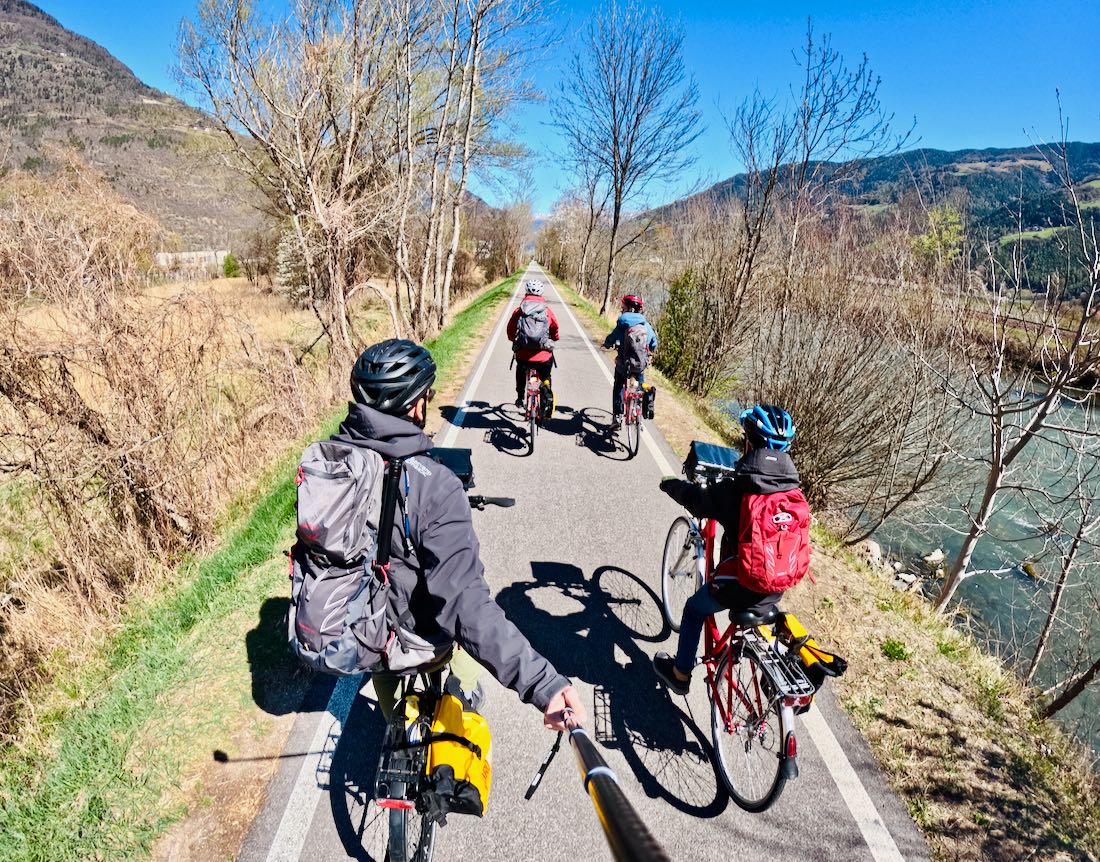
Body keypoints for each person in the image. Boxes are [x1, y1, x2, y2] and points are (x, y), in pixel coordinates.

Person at [338, 338, 585, 729]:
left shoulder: (327, 466)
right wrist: (542, 683)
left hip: (357, 630)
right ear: (415, 405)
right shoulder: (435, 486)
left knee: (394, 711)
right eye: (428, 395)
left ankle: (396, 724)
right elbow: (466, 605)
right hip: (421, 639)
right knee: (460, 635)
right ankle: (464, 696)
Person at [652, 404, 800, 695]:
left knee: (693, 610)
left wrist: (671, 485)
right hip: (777, 585)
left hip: (741, 583)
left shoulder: (737, 491)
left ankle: (680, 675)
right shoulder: (792, 492)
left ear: (748, 443)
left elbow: (695, 500)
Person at [602, 294, 657, 429]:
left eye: (623, 307)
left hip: (624, 363)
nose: (621, 309)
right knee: (639, 385)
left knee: (618, 386)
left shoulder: (623, 322)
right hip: (639, 364)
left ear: (629, 308)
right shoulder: (645, 325)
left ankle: (617, 416)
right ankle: (639, 412)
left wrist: (607, 344)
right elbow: (653, 343)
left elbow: (612, 338)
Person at [507, 281, 559, 408]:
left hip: (523, 355)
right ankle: (546, 391)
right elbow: (555, 328)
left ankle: (520, 397)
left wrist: (513, 339)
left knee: (520, 369)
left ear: (526, 292)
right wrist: (554, 338)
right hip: (543, 357)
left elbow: (510, 329)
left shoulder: (519, 310)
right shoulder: (547, 311)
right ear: (541, 293)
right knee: (546, 374)